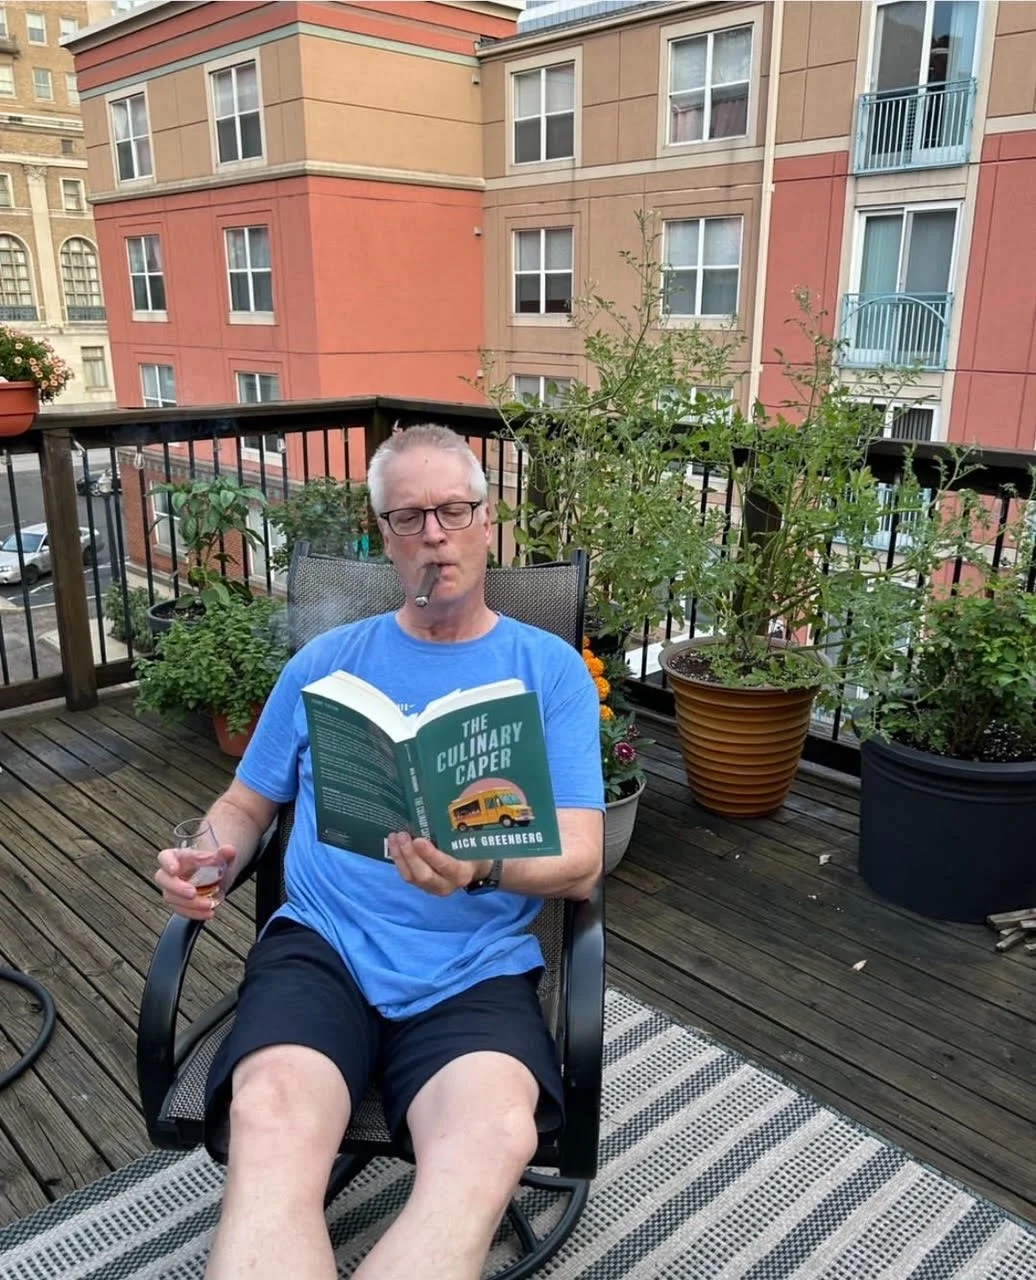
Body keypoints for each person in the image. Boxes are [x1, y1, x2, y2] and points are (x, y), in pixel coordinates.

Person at [155, 424, 605, 1280]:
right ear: (384, 537)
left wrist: (479, 866)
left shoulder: (548, 671)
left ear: (487, 520)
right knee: (268, 1116)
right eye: (409, 518)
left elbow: (582, 859)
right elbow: (245, 805)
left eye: (453, 510)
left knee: (492, 1137)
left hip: (472, 964)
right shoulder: (326, 662)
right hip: (323, 947)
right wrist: (207, 857)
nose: (434, 535)